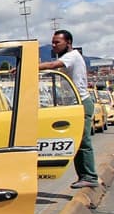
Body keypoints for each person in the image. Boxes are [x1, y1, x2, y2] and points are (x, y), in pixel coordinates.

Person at [38, 30, 99, 188]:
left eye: (57, 42)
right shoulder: (67, 57)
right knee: (77, 142)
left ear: (68, 43)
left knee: (84, 141)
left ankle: (90, 177)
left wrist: (28, 67)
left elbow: (52, 65)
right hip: (74, 103)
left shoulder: (72, 56)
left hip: (82, 102)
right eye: (53, 42)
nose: (54, 45)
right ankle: (84, 176)